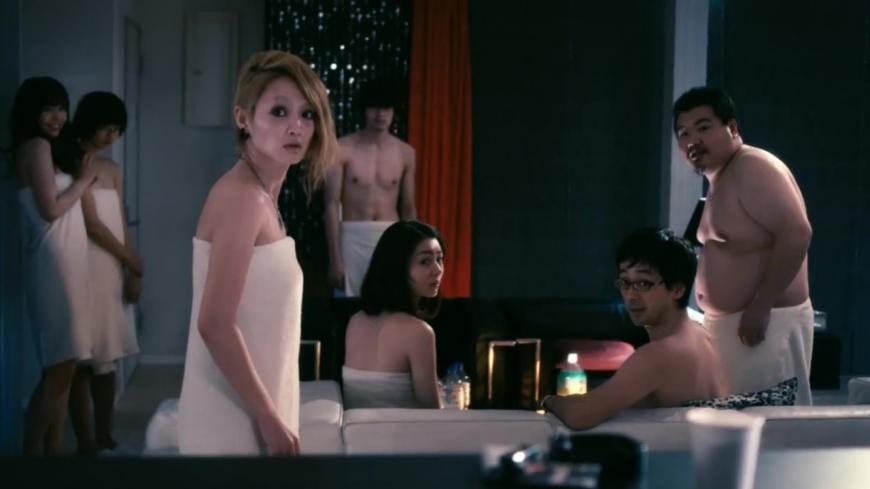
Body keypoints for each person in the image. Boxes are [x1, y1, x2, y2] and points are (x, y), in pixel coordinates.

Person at [177, 50, 338, 455]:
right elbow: (214, 323)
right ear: (243, 118)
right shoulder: (242, 198)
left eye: (307, 114)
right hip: (231, 419)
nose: (296, 126)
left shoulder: (262, 196)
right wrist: (268, 418)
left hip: (253, 406)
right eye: (279, 111)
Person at [673, 87, 814, 405]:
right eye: (684, 133)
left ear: (732, 127)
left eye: (703, 127)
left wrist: (761, 306)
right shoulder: (722, 178)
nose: (693, 140)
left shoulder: (752, 167)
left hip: (763, 325)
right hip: (736, 329)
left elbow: (796, 233)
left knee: (768, 425)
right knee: (736, 424)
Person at [544, 228, 729, 430]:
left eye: (643, 284)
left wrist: (548, 400)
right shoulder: (705, 336)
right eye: (625, 282)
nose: (631, 296)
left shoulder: (658, 355)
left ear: (677, 289)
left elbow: (579, 416)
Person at [12, 77, 98, 455]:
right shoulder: (35, 146)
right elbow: (50, 210)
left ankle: (50, 454)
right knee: (60, 367)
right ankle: (32, 456)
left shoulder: (45, 147)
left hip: (65, 263)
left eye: (61, 108)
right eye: (48, 109)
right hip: (53, 265)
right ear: (32, 112)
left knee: (62, 367)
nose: (58, 116)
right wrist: (83, 182)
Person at [67, 91, 142, 454]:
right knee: (82, 357)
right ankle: (86, 440)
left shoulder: (112, 169)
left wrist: (132, 265)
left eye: (117, 129)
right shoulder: (72, 162)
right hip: (83, 264)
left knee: (107, 357)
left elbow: (120, 220)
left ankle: (105, 434)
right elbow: (92, 225)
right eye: (106, 128)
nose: (112, 136)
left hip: (111, 266)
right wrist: (130, 259)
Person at [325, 78, 417, 296]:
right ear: (364, 110)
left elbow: (409, 208)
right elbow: (331, 205)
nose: (380, 114)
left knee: (390, 305)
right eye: (374, 107)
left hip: (391, 236)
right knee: (349, 308)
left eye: (386, 108)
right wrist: (335, 258)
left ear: (393, 111)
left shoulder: (405, 153)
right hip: (352, 237)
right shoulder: (342, 148)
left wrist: (413, 253)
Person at [342, 220, 443, 409]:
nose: (437, 270)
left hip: (355, 427)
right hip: (399, 429)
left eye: (439, 259)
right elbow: (431, 414)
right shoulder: (419, 333)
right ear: (398, 266)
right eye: (425, 261)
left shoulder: (356, 321)